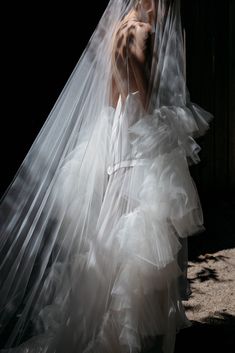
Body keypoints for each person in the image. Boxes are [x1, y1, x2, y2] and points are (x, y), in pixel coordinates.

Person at [0, 1, 213, 352]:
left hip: (117, 145)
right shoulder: (142, 33)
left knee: (113, 241)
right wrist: (176, 126)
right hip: (135, 151)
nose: (168, 13)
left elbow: (114, 98)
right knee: (137, 248)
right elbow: (145, 107)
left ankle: (108, 331)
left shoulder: (118, 28)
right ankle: (124, 340)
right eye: (166, 4)